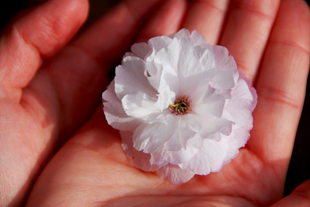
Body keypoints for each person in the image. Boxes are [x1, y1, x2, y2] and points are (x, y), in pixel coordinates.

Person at [0, 0, 309, 206]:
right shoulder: (165, 102)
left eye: (181, 106)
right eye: (180, 106)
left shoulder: (215, 115)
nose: (179, 107)